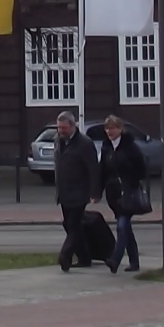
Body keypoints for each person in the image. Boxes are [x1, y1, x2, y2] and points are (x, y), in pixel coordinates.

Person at [53, 109, 100, 272]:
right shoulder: (58, 141)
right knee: (70, 224)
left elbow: (93, 169)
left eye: (63, 128)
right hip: (64, 192)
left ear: (72, 126)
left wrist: (95, 192)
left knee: (73, 224)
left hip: (79, 192)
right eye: (58, 128)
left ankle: (65, 255)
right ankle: (84, 257)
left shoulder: (84, 143)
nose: (60, 131)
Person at [99, 115, 147, 272]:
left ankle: (115, 259)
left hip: (128, 192)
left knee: (122, 225)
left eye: (112, 128)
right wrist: (97, 191)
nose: (109, 131)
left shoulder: (130, 146)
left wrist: (131, 181)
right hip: (113, 193)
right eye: (107, 128)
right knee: (126, 228)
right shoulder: (106, 147)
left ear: (120, 129)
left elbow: (141, 167)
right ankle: (134, 262)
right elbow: (102, 171)